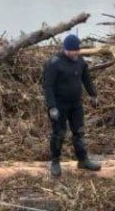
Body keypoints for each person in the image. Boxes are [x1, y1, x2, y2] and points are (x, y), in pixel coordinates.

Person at [41, 33, 102, 177]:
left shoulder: (80, 60)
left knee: (79, 132)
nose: (76, 53)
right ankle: (55, 162)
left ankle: (83, 160)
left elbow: (86, 78)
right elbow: (48, 86)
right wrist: (51, 107)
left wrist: (93, 95)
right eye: (73, 51)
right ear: (66, 49)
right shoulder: (54, 63)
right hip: (59, 106)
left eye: (77, 50)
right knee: (59, 134)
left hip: (76, 104)